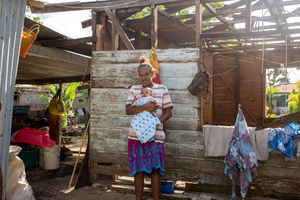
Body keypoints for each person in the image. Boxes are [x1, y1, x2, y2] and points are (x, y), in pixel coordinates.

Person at [126, 56, 173, 200]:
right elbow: (128, 110)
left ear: (152, 74)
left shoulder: (162, 89)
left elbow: (169, 112)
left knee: (155, 171)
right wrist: (145, 107)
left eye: (146, 74)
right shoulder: (134, 90)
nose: (143, 77)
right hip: (136, 136)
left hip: (155, 137)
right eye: (141, 75)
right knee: (138, 172)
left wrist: (155, 123)